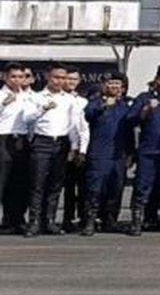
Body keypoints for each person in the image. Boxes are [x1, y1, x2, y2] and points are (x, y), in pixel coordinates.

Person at [23, 63, 89, 237]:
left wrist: (77, 148)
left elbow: (76, 126)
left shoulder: (70, 99)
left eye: (63, 78)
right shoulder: (36, 97)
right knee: (37, 184)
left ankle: (50, 220)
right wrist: (42, 109)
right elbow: (27, 118)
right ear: (47, 76)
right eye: (56, 77)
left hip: (61, 143)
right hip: (41, 142)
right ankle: (34, 221)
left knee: (55, 184)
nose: (59, 81)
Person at [126, 66, 160, 236]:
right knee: (142, 185)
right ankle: (137, 221)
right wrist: (146, 110)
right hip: (148, 150)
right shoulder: (144, 97)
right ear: (156, 80)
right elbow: (131, 119)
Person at [81, 72, 132, 236]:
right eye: (111, 83)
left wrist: (131, 153)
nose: (114, 87)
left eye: (118, 84)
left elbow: (131, 130)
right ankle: (89, 220)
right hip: (99, 153)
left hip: (119, 154)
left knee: (116, 188)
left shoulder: (126, 105)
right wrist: (104, 105)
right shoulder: (95, 102)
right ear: (104, 85)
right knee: (94, 188)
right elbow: (89, 114)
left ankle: (110, 220)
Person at [0, 62, 33, 233]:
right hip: (3, 138)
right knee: (2, 181)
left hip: (21, 140)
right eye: (13, 76)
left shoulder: (28, 97)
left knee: (19, 183)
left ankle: (16, 220)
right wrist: (3, 104)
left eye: (21, 76)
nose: (17, 80)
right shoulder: (1, 95)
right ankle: (5, 220)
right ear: (4, 77)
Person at [59, 68, 88, 233]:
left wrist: (81, 149)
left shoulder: (82, 101)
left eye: (74, 79)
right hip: (65, 146)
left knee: (83, 186)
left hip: (80, 148)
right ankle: (67, 218)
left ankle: (83, 218)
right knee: (67, 187)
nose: (71, 82)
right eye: (68, 79)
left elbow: (83, 128)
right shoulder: (58, 100)